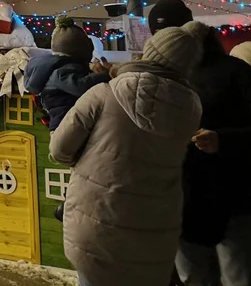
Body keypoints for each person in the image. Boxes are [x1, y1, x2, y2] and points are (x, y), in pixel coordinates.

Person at [50, 24, 203, 286]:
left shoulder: (103, 93)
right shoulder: (192, 107)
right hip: (154, 228)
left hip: (98, 223)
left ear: (149, 52)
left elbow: (59, 150)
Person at [175, 23, 251, 286]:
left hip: (220, 193)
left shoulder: (235, 73)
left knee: (203, 273)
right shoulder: (237, 72)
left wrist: (224, 140)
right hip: (208, 194)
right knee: (234, 272)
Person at [25, 16, 109, 221]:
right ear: (78, 53)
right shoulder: (61, 71)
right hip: (67, 126)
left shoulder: (56, 68)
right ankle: (71, 204)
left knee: (82, 168)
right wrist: (104, 75)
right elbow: (81, 87)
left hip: (67, 124)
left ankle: (73, 202)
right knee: (84, 167)